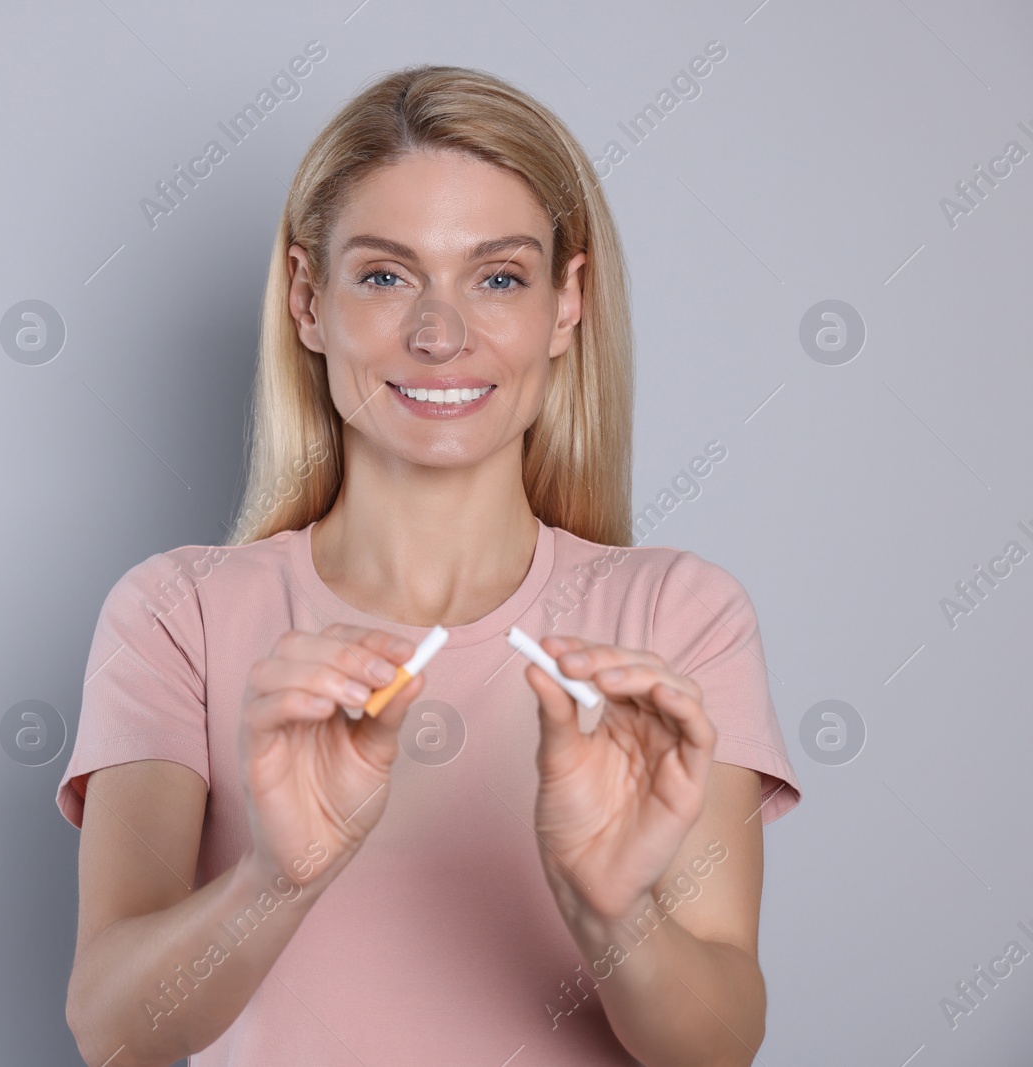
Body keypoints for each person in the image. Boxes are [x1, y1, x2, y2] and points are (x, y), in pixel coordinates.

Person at [56, 63, 801, 1066]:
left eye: (497, 276)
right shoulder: (176, 613)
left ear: (566, 302)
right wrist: (273, 879)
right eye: (384, 274)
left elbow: (719, 1045)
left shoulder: (677, 615)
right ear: (307, 299)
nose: (441, 334)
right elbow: (110, 1029)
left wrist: (605, 906)